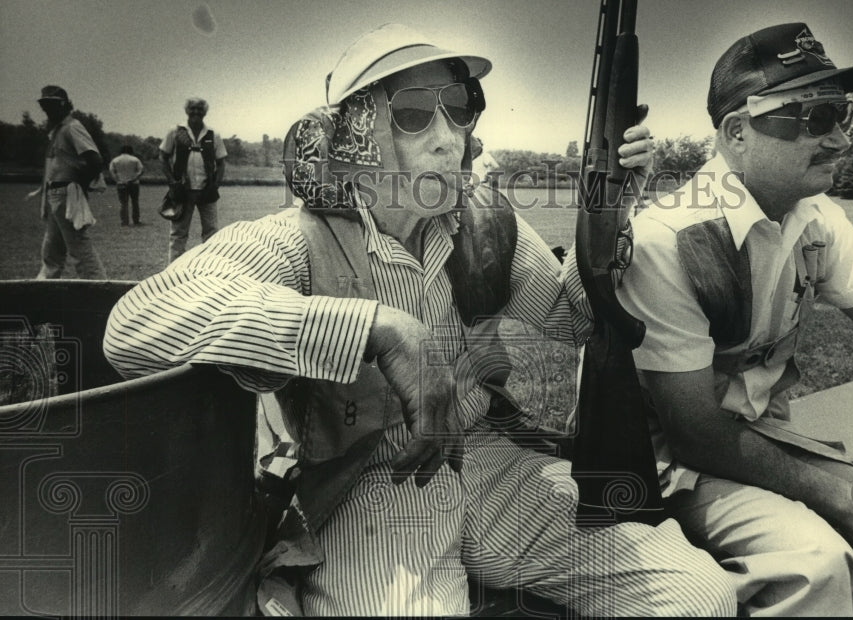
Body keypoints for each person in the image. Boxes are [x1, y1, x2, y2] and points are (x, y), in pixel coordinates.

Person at [103, 24, 736, 617]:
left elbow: (573, 322)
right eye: (412, 114)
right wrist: (374, 327)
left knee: (698, 594)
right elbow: (135, 325)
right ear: (348, 138)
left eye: (459, 106)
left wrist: (609, 221)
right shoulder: (295, 242)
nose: (447, 135)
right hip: (368, 489)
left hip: (490, 466)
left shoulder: (486, 228)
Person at [605, 22, 853, 616]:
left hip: (761, 443)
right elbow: (694, 431)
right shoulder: (669, 238)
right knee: (815, 564)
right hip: (668, 464)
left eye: (841, 113)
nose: (841, 140)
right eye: (813, 118)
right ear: (737, 132)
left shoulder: (812, 214)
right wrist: (842, 494)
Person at [26, 85, 107, 280]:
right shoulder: (57, 131)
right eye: (44, 104)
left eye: (52, 104)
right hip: (56, 193)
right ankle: (44, 287)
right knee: (52, 250)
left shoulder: (72, 127)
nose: (46, 109)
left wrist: (79, 185)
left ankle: (98, 288)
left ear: (64, 105)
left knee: (79, 247)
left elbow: (95, 160)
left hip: (66, 193)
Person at [159, 97, 227, 262]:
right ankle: (173, 272)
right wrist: (172, 182)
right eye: (193, 109)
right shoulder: (175, 132)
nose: (196, 112)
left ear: (205, 112)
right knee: (178, 234)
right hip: (182, 190)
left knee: (211, 232)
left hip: (207, 190)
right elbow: (163, 157)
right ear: (187, 111)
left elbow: (221, 162)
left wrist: (215, 185)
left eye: (200, 109)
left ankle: (211, 268)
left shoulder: (213, 134)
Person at [109, 144, 144, 226]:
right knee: (135, 202)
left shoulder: (115, 160)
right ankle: (136, 220)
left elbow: (111, 171)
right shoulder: (135, 159)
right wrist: (134, 179)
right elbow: (141, 170)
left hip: (121, 183)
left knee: (123, 203)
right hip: (134, 183)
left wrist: (117, 180)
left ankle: (124, 221)